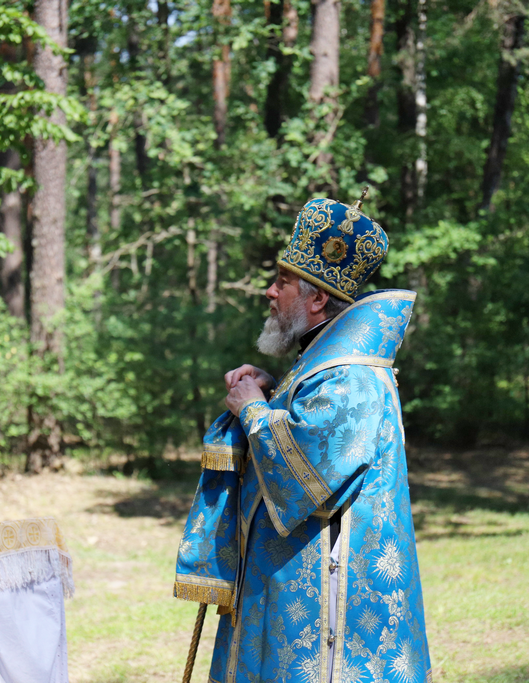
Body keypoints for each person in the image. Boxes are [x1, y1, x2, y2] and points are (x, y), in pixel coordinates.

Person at [174, 196, 432, 683]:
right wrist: (269, 393)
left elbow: (306, 477)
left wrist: (252, 409)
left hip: (330, 598)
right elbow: (305, 426)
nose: (270, 292)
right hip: (291, 576)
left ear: (316, 299)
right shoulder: (322, 363)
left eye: (283, 282)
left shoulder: (351, 374)